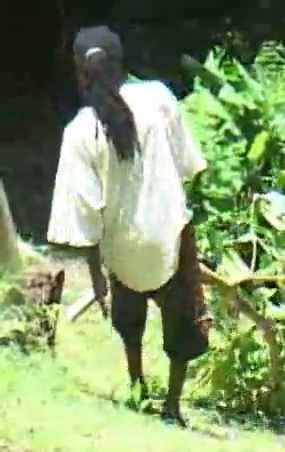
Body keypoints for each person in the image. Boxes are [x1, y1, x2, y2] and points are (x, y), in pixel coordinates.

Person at [47, 26, 211, 426]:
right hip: (170, 239)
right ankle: (172, 404)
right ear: (123, 62)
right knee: (183, 321)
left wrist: (97, 277)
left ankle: (137, 385)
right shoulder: (158, 99)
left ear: (80, 73)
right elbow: (187, 164)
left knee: (129, 319)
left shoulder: (80, 131)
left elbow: (82, 213)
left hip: (121, 250)